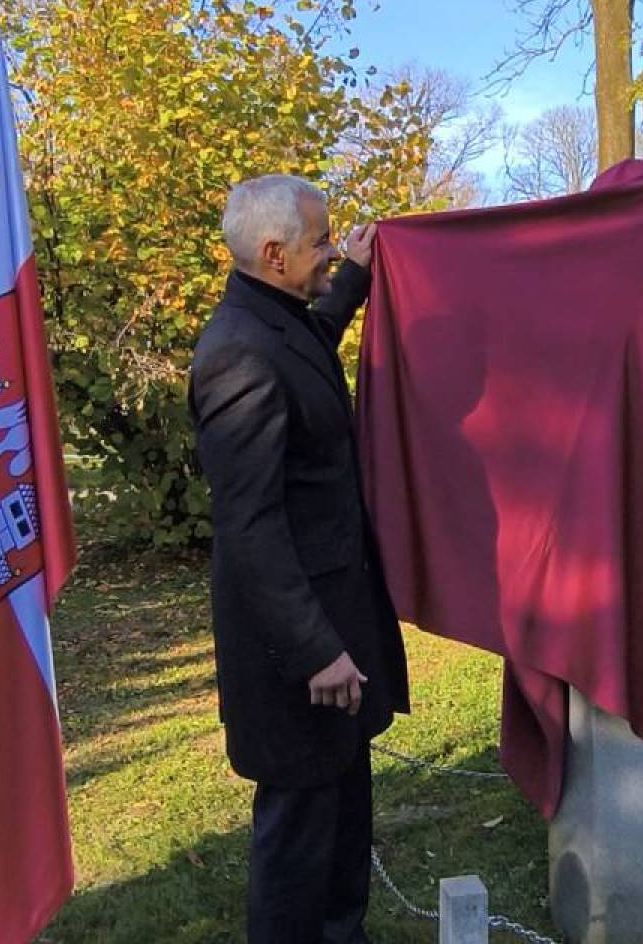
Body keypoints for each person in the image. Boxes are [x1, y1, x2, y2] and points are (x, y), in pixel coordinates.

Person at [188, 174, 410, 942]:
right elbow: (249, 524)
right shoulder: (235, 355)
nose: (327, 249)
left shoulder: (273, 317)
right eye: (320, 241)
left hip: (331, 625)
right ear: (274, 252)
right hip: (297, 653)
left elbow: (310, 337)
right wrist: (317, 652)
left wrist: (350, 274)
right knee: (299, 840)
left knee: (343, 821)